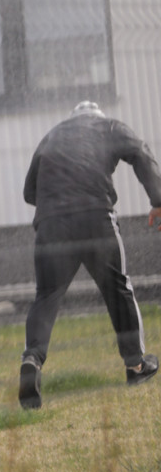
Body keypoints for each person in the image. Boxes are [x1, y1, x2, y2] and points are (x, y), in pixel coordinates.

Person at [19, 101, 161, 409]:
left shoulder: (52, 136)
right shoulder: (109, 126)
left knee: (46, 296)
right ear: (96, 115)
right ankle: (136, 366)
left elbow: (29, 192)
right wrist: (158, 199)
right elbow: (140, 153)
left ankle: (32, 359)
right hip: (96, 217)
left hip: (50, 226)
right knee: (118, 288)